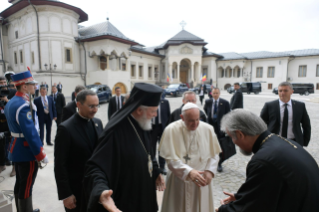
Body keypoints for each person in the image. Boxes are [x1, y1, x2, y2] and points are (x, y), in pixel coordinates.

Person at [81, 83, 165, 212]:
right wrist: (101, 191)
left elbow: (147, 152)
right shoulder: (115, 131)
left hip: (145, 195)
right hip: (128, 201)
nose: (155, 115)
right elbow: (95, 167)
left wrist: (156, 170)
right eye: (153, 111)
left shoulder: (143, 122)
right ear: (139, 110)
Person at [216, 109, 319, 212]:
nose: (233, 142)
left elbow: (252, 208)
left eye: (231, 137)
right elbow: (269, 189)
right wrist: (244, 196)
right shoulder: (280, 141)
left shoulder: (262, 161)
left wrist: (224, 209)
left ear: (239, 134)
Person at [159, 102, 221, 212]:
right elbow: (170, 159)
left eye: (197, 119)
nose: (195, 124)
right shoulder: (171, 130)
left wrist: (210, 171)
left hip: (202, 180)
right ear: (182, 117)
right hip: (179, 180)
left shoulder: (208, 129)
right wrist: (188, 172)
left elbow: (214, 154)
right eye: (191, 120)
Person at [4, 70, 48, 212]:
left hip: (16, 149)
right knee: (27, 185)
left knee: (21, 183)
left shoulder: (12, 102)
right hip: (26, 150)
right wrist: (41, 154)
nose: (35, 86)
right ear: (24, 86)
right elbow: (30, 133)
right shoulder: (23, 105)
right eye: (32, 84)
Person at [54, 90, 103, 212]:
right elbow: (60, 165)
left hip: (96, 187)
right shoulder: (65, 129)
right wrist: (66, 194)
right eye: (91, 106)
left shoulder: (98, 123)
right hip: (76, 191)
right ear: (79, 105)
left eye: (97, 105)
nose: (95, 109)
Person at [260, 81, 311, 146]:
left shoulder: (300, 106)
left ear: (292, 92)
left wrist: (304, 142)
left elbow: (306, 125)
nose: (282, 93)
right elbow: (260, 124)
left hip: (294, 142)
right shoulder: (269, 106)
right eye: (280, 91)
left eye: (285, 91)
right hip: (274, 141)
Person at [204, 88, 231, 172]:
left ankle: (219, 163)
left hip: (220, 127)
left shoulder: (225, 102)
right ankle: (209, 161)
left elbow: (228, 114)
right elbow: (206, 110)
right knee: (210, 143)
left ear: (219, 93)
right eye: (214, 93)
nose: (215, 94)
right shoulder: (208, 102)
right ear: (211, 93)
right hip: (211, 125)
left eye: (217, 93)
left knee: (219, 145)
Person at [150, 94, 170, 175]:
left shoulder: (165, 102)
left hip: (162, 127)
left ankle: (162, 166)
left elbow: (168, 115)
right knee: (152, 147)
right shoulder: (150, 102)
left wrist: (167, 127)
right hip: (152, 128)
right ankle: (152, 166)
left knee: (162, 147)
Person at [0, 76, 14, 176]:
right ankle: (2, 164)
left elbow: (15, 107)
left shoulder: (12, 92)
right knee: (1, 145)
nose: (3, 84)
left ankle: (14, 166)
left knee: (13, 144)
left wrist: (6, 99)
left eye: (4, 82)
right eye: (1, 82)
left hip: (10, 123)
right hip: (1, 123)